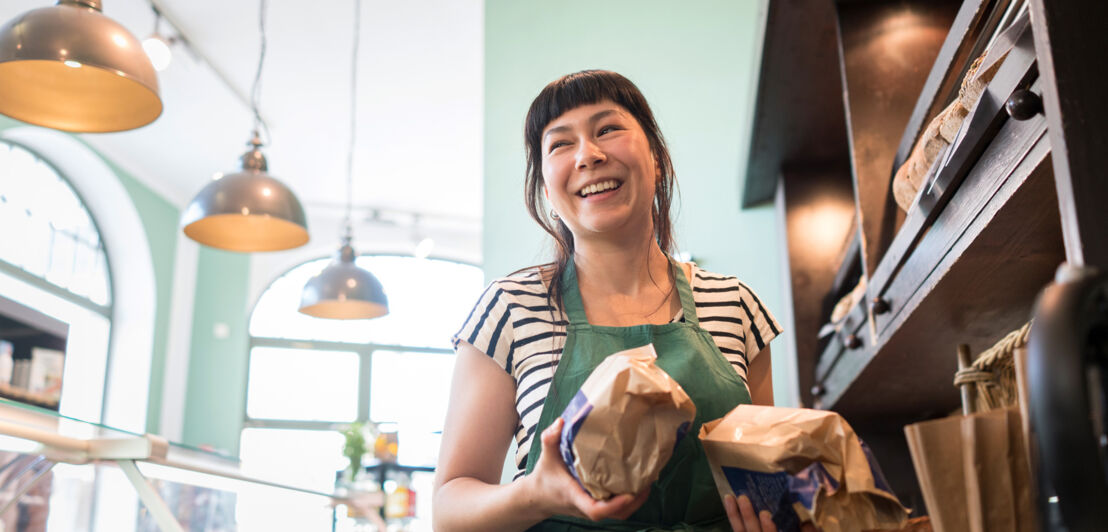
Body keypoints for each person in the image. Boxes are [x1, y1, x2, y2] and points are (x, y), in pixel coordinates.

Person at [433, 70, 786, 532]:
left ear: (658, 159)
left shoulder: (735, 304)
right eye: (560, 144)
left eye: (608, 129)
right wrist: (535, 495)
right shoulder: (511, 309)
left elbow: (764, 481)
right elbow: (448, 510)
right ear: (545, 187)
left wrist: (778, 513)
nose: (588, 155)